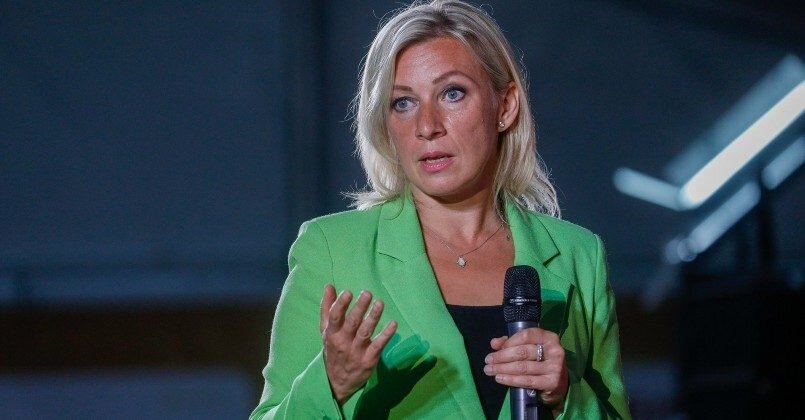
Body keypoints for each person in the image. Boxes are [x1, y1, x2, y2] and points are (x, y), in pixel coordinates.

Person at [251, 1, 630, 418]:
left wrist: (566, 396)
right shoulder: (332, 250)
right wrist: (329, 385)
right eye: (403, 102)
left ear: (505, 107)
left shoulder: (580, 256)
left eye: (452, 94)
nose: (427, 126)